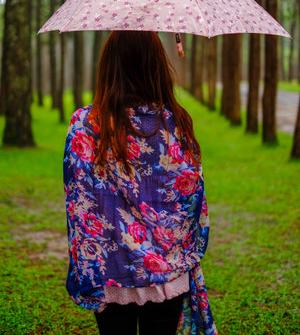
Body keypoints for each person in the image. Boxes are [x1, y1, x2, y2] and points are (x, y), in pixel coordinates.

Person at [63, 30, 218, 335]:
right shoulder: (176, 124)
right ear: (157, 66)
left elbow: (76, 201)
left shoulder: (84, 125)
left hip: (109, 272)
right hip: (167, 272)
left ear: (108, 66)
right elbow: (191, 199)